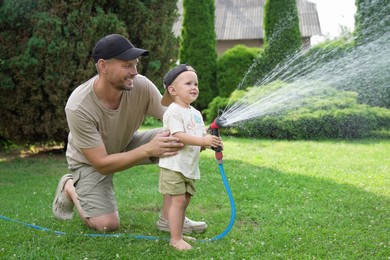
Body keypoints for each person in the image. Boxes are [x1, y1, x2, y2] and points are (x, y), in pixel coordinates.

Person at [52, 34, 207, 233]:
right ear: (102, 66)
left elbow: (174, 117)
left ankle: (170, 219)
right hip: (90, 161)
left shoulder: (141, 85)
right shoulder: (78, 106)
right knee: (107, 224)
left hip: (126, 143)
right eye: (127, 65)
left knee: (175, 139)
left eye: (135, 64)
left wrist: (200, 134)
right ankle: (70, 187)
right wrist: (147, 150)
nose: (134, 72)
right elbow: (101, 164)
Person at [158, 64, 223, 250]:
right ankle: (176, 239)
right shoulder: (173, 111)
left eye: (196, 83)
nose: (194, 87)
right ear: (173, 90)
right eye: (188, 83)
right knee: (178, 201)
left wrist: (211, 142)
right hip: (174, 165)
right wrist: (203, 141)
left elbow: (200, 138)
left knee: (184, 201)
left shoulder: (195, 114)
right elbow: (178, 136)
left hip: (189, 166)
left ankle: (177, 232)